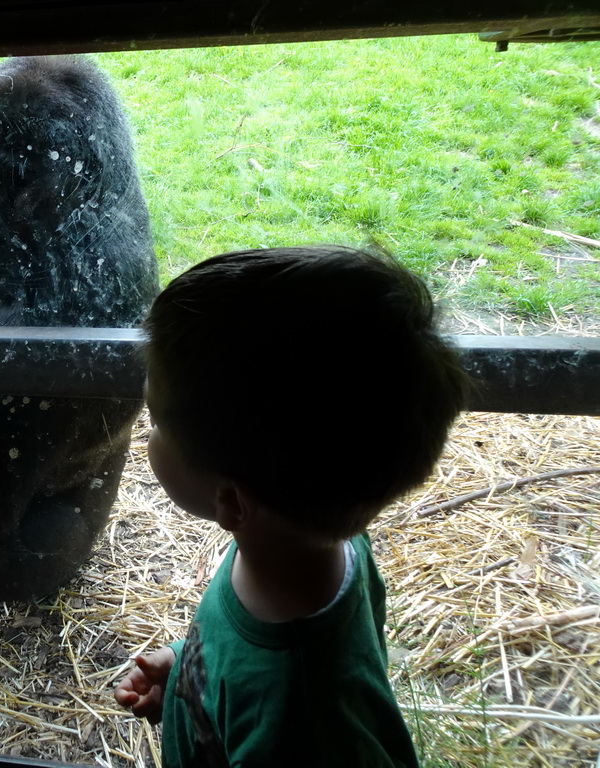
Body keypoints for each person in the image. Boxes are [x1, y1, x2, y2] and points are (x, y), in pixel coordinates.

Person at [114, 246, 468, 767]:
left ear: (232, 500)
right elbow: (246, 659)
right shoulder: (319, 546)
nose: (149, 435)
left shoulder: (299, 721)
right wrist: (190, 674)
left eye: (157, 423)